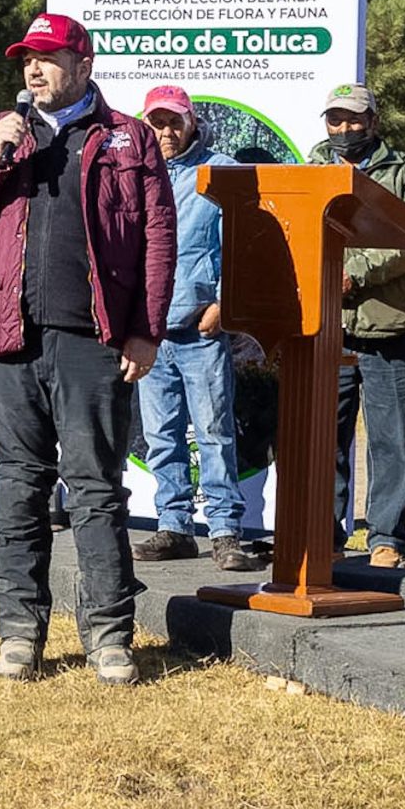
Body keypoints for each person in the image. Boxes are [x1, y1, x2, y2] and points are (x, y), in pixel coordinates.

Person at [0, 12, 172, 687]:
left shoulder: (128, 138)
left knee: (97, 488)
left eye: (46, 57)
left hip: (93, 339)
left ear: (83, 62)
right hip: (10, 336)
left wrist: (145, 329)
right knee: (19, 485)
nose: (33, 69)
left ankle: (108, 634)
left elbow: (158, 237)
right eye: (26, 60)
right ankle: (19, 630)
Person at [129, 85, 265, 574]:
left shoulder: (221, 171)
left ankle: (226, 532)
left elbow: (248, 244)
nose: (165, 132)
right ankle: (175, 527)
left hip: (201, 328)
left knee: (213, 432)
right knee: (161, 435)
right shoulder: (135, 172)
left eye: (173, 122)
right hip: (149, 331)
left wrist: (224, 305)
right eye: (156, 123)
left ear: (191, 123)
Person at [307, 82, 405, 567]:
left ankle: (387, 537)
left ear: (373, 121)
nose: (344, 128)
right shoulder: (313, 167)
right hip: (326, 327)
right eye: (335, 119)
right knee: (324, 439)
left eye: (354, 119)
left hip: (387, 326)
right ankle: (323, 534)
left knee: (391, 440)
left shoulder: (404, 170)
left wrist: (354, 273)